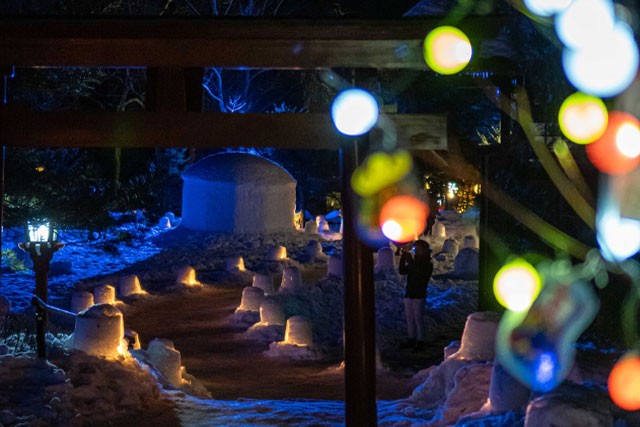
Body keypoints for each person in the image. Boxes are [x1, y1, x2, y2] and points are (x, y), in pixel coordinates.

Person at [398, 239, 433, 350]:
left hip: (419, 294)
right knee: (410, 318)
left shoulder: (427, 264)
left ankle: (420, 340)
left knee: (418, 318)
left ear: (425, 251)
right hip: (410, 293)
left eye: (418, 249)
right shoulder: (415, 263)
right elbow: (402, 271)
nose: (416, 252)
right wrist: (403, 258)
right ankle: (411, 338)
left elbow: (419, 273)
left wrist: (411, 261)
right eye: (415, 249)